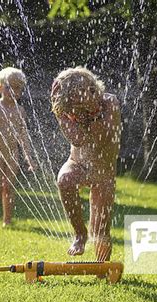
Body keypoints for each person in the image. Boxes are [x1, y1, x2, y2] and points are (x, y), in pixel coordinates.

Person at [51, 67, 121, 261]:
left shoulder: (109, 103)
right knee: (65, 180)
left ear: (91, 88)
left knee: (101, 230)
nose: (75, 105)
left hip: (103, 173)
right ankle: (80, 234)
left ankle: (102, 268)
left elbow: (102, 139)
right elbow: (79, 140)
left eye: (77, 96)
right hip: (78, 164)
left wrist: (94, 111)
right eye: (71, 100)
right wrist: (59, 114)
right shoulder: (68, 111)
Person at [0, 67, 35, 227]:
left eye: (17, 87)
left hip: (12, 153)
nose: (13, 91)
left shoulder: (20, 111)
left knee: (9, 187)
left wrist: (28, 157)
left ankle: (7, 221)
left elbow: (23, 136)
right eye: (9, 87)